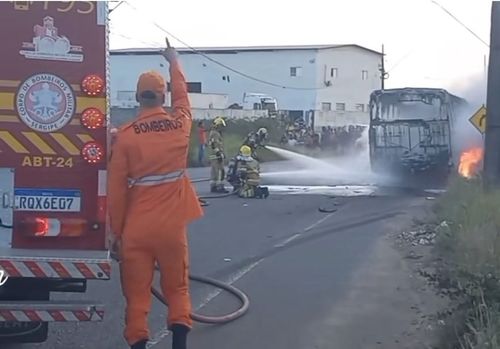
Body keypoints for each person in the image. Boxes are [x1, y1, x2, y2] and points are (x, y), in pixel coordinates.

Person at [108, 38, 203, 349]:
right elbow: (183, 96)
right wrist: (174, 59)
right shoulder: (180, 125)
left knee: (136, 297)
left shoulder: (125, 138)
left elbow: (116, 191)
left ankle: (138, 343)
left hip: (136, 230)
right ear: (163, 95)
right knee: (177, 288)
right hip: (171, 230)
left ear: (138, 97)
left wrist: (116, 235)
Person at [208, 116, 228, 193]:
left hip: (215, 155)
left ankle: (214, 186)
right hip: (216, 156)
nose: (222, 128)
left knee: (215, 171)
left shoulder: (215, 133)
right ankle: (219, 187)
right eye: (221, 126)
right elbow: (213, 144)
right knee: (220, 171)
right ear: (218, 125)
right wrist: (218, 153)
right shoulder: (215, 134)